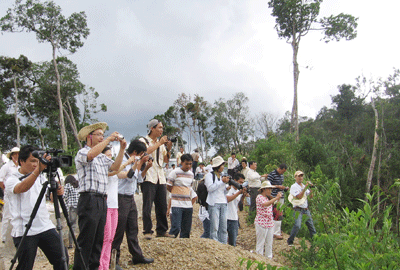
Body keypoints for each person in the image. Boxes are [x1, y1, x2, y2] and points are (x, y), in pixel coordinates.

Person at [73, 122, 127, 270]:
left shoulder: (102, 158)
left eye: (103, 135)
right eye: (99, 135)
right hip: (89, 199)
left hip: (102, 199)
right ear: (89, 137)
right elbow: (90, 155)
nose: (101, 137)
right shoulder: (82, 152)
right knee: (86, 240)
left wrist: (122, 149)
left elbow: (115, 168)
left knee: (98, 239)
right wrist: (109, 140)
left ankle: (94, 267)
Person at [5, 145, 67, 269]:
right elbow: (22, 188)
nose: (36, 164)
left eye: (38, 161)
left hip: (44, 226)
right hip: (24, 229)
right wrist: (38, 170)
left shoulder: (40, 177)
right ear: (21, 161)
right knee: (25, 266)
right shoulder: (12, 179)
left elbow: (50, 198)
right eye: (33, 161)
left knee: (62, 257)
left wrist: (56, 192)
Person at [112, 140, 154, 267]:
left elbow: (139, 179)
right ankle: (114, 260)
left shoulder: (136, 161)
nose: (142, 156)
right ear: (135, 152)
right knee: (118, 231)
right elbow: (129, 176)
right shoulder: (123, 161)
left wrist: (145, 167)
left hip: (130, 198)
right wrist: (139, 162)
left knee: (133, 228)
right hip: (120, 197)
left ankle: (137, 256)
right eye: (141, 153)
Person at [139, 119, 174, 239]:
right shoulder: (143, 141)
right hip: (148, 175)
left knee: (162, 205)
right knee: (147, 205)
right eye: (159, 128)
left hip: (160, 176)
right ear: (152, 128)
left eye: (162, 128)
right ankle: (147, 230)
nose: (161, 130)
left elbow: (165, 160)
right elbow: (144, 152)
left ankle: (162, 230)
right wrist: (159, 144)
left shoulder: (161, 143)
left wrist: (168, 148)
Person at [167, 154, 197, 238]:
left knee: (186, 229)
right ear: (181, 162)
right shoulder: (174, 173)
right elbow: (168, 186)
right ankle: (170, 243)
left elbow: (190, 188)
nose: (188, 166)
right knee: (176, 227)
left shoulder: (191, 174)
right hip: (176, 204)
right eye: (186, 163)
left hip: (187, 205)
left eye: (190, 164)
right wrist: (176, 193)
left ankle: (183, 246)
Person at [287, 171, 316, 246]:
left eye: (301, 176)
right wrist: (305, 188)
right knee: (297, 225)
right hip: (298, 209)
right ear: (295, 177)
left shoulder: (303, 186)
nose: (300, 178)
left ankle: (315, 241)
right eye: (298, 176)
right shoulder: (294, 186)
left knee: (311, 226)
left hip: (305, 209)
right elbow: (299, 197)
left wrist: (310, 188)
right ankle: (290, 240)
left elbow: (311, 196)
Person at [205, 156, 230, 244]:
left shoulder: (223, 175)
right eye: (222, 165)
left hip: (223, 202)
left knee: (223, 226)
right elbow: (210, 188)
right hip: (214, 202)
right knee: (214, 227)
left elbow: (223, 191)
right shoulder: (209, 175)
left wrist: (227, 188)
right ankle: (215, 245)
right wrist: (222, 182)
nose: (223, 167)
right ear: (218, 166)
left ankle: (223, 245)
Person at [255, 181, 282, 258]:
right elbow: (265, 204)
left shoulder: (268, 198)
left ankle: (268, 258)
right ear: (264, 189)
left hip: (269, 223)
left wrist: (277, 198)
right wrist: (276, 198)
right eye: (268, 189)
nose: (270, 191)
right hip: (261, 223)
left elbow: (276, 204)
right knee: (260, 242)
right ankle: (259, 258)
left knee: (269, 243)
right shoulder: (259, 197)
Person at [0, 147, 19, 243]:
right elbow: (0, 180)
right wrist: (7, 190)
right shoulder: (6, 167)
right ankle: (3, 237)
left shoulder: (20, 166)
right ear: (11, 155)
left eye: (18, 154)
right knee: (7, 216)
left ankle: (15, 235)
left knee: (17, 214)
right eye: (14, 154)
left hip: (18, 193)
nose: (16, 156)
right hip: (9, 194)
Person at [267, 164, 288, 239]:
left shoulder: (281, 176)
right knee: (276, 214)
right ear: (280, 168)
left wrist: (284, 188)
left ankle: (277, 230)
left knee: (280, 214)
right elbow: (268, 185)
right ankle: (275, 232)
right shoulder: (272, 174)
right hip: (274, 197)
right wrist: (277, 186)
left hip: (281, 195)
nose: (283, 173)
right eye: (283, 171)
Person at [226, 173, 246, 246]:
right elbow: (227, 199)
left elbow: (240, 206)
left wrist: (243, 196)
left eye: (242, 183)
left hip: (234, 218)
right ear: (235, 181)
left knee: (232, 242)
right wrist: (239, 193)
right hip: (226, 217)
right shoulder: (227, 188)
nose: (240, 184)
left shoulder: (239, 191)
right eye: (240, 182)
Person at [63, 174, 80, 249]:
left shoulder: (68, 185)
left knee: (71, 226)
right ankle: (79, 243)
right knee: (79, 225)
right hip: (79, 206)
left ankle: (71, 244)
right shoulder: (77, 184)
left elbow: (64, 195)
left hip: (72, 207)